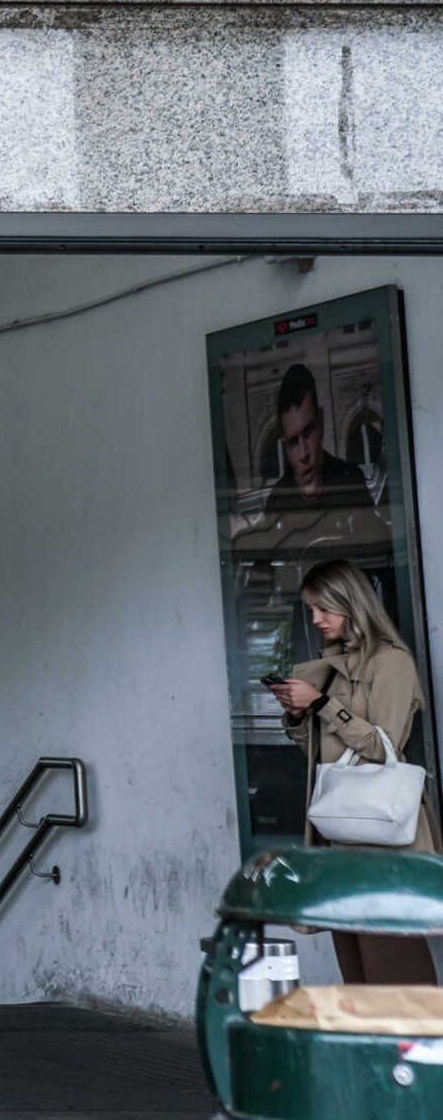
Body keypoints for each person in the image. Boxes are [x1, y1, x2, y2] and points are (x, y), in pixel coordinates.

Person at [269, 556, 438, 983]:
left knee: (393, 965)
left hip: (381, 839)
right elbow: (324, 754)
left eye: (324, 608)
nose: (316, 619)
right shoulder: (333, 667)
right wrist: (297, 715)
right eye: (310, 610)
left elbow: (383, 747)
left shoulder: (391, 662)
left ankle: (417, 1048)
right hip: (340, 835)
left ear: (352, 603)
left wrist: (323, 705)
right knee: (357, 967)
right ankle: (374, 1048)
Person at [232, 365, 391, 556]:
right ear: (285, 447)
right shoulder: (278, 501)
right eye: (293, 442)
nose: (303, 453)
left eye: (308, 433)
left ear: (321, 423)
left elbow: (381, 556)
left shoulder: (350, 482)